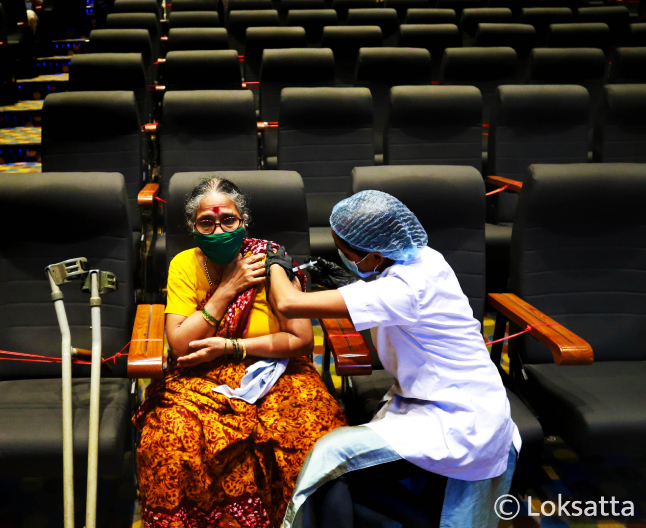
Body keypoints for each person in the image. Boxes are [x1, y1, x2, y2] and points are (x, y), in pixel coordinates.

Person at [266, 190, 521, 528]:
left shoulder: (403, 289)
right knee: (348, 476)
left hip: (458, 418)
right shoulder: (425, 257)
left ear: (374, 255)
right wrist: (351, 282)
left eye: (346, 254)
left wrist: (275, 267)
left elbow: (288, 304)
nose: (344, 259)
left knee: (332, 458)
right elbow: (385, 296)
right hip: (445, 397)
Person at [133, 178, 347, 528]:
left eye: (228, 220)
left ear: (243, 221)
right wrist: (228, 288)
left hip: (278, 372)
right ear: (192, 226)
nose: (218, 229)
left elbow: (301, 340)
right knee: (167, 438)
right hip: (200, 377)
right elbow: (181, 345)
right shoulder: (185, 265)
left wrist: (232, 346)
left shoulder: (270, 260)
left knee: (313, 434)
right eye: (207, 222)